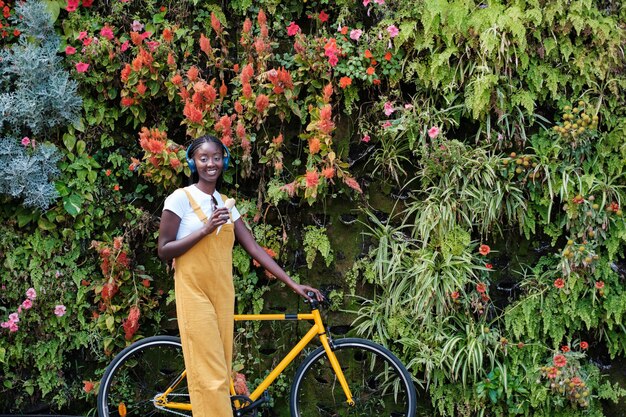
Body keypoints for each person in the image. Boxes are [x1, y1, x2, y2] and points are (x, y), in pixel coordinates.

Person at [158, 134, 323, 416]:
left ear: (225, 161)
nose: (211, 163)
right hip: (193, 291)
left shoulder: (225, 204)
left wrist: (292, 283)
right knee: (211, 376)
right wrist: (205, 230)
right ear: (193, 163)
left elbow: (254, 248)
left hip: (223, 293)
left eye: (216, 157)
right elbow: (164, 250)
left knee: (221, 370)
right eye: (203, 158)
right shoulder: (180, 199)